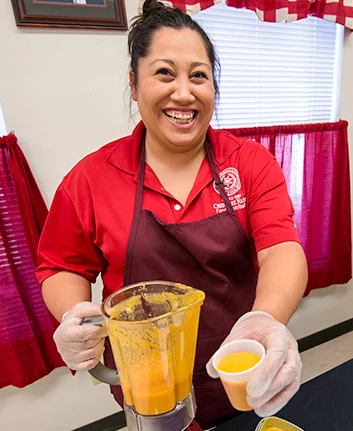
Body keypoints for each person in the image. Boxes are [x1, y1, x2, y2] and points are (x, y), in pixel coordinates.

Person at [36, 0, 308, 429]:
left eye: (199, 76)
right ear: (134, 82)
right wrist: (75, 316)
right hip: (148, 379)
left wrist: (266, 320)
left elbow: (281, 248)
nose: (184, 92)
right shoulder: (90, 179)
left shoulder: (251, 163)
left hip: (237, 356)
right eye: (165, 73)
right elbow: (61, 265)